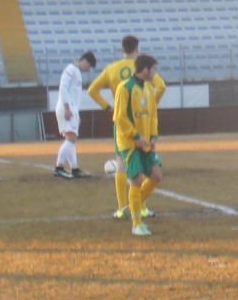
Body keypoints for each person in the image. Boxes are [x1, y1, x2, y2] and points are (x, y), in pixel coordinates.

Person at [88, 34, 166, 220]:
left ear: (122, 49)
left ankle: (123, 208)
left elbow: (92, 90)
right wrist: (149, 104)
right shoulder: (141, 66)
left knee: (122, 164)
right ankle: (142, 207)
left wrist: (108, 107)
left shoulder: (112, 69)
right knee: (144, 165)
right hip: (143, 119)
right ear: (137, 49)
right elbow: (161, 87)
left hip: (122, 121)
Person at [113, 54, 163, 236]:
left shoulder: (149, 89)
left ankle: (131, 206)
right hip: (129, 142)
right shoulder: (124, 88)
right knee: (137, 179)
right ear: (145, 70)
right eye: (154, 69)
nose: (155, 73)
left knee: (156, 176)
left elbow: (153, 115)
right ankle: (137, 224)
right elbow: (120, 118)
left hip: (146, 142)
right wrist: (136, 136)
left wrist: (154, 136)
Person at [53, 51, 97, 179]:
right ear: (86, 61)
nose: (88, 69)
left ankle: (75, 169)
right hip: (67, 108)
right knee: (71, 139)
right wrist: (67, 108)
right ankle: (59, 167)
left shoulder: (75, 72)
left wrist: (75, 113)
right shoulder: (71, 69)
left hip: (72, 109)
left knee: (71, 140)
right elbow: (63, 88)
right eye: (89, 66)